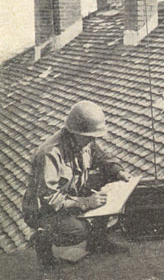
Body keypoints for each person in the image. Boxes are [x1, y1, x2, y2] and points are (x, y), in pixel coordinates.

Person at [22, 100, 131, 269]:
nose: (92, 141)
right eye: (90, 137)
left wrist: (118, 172)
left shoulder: (84, 140)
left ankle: (98, 242)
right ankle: (42, 241)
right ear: (75, 132)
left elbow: (103, 159)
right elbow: (49, 198)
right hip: (43, 210)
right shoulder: (50, 153)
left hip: (69, 196)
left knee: (109, 177)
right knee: (78, 231)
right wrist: (86, 202)